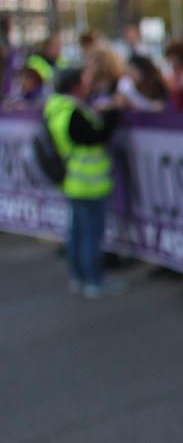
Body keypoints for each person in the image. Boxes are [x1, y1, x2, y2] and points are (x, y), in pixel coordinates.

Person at [44, 67, 127, 299]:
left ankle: (80, 276)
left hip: (74, 180)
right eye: (84, 81)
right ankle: (94, 280)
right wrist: (114, 113)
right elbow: (95, 136)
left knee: (77, 232)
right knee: (90, 234)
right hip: (88, 182)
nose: (88, 85)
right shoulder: (72, 111)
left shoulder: (58, 107)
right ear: (74, 85)